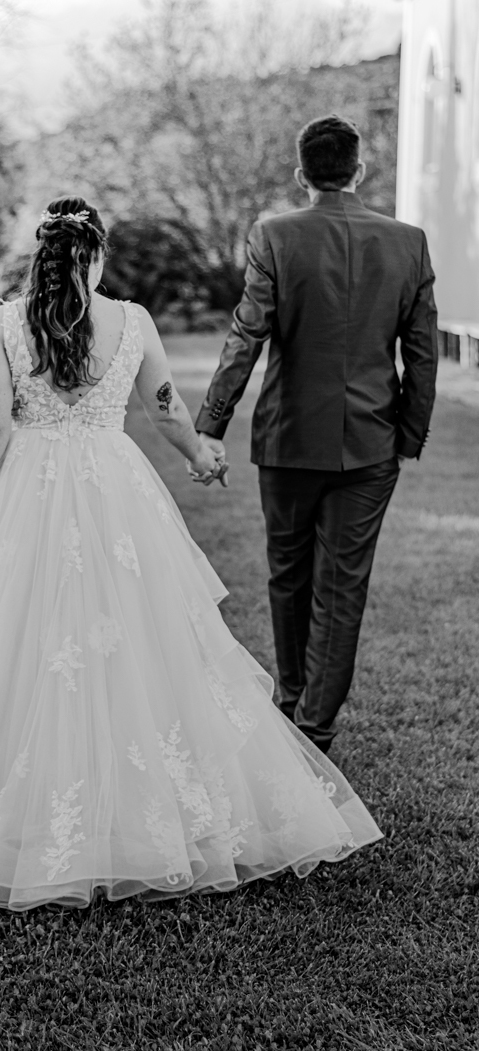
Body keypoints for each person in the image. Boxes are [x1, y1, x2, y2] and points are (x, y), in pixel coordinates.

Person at [0, 196, 382, 912]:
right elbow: (165, 407)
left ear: (42, 256)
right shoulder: (133, 320)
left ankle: (19, 810)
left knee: (25, 643)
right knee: (135, 638)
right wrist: (201, 456)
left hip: (26, 493)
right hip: (115, 492)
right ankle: (143, 808)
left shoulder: (5, 324)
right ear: (96, 256)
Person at [196, 115, 439, 755]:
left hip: (287, 440)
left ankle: (292, 706)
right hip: (371, 442)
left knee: (288, 576)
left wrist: (211, 425)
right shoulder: (408, 242)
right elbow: (423, 353)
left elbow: (246, 336)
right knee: (342, 587)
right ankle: (313, 728)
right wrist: (407, 436)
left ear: (301, 173)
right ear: (360, 170)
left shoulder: (273, 235)